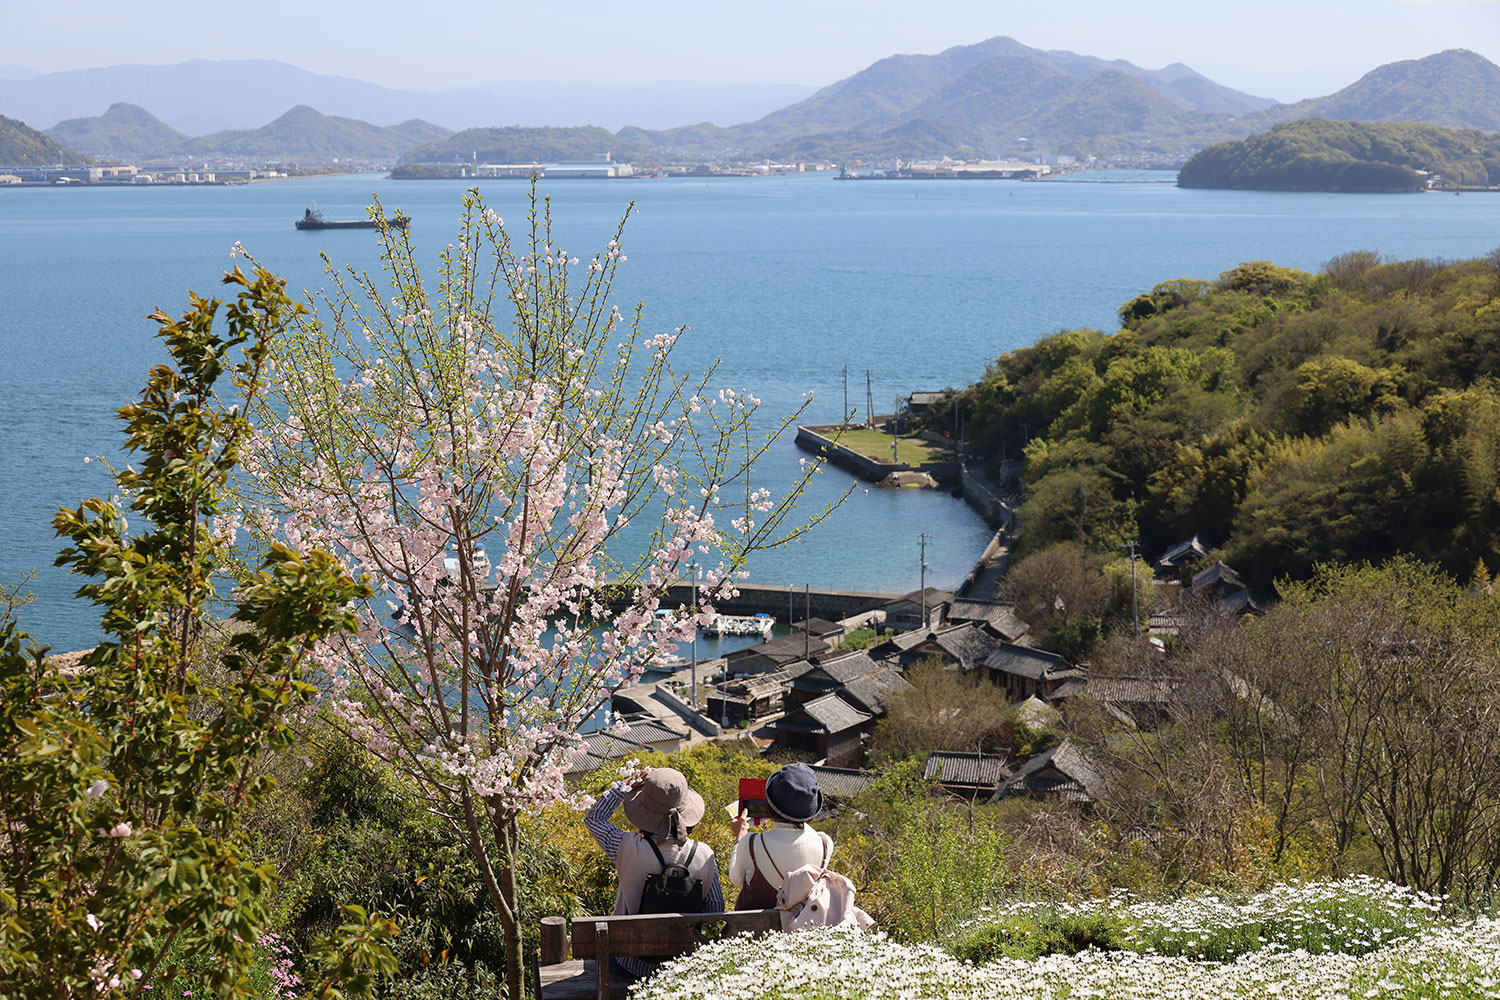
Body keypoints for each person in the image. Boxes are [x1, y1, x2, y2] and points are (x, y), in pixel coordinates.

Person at [584, 766, 724, 979]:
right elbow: (716, 909)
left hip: (629, 965)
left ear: (643, 812)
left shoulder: (626, 847)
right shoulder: (705, 855)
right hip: (683, 964)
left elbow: (594, 819)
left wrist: (624, 786)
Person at [729, 762, 833, 910]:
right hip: (800, 929)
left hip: (754, 930)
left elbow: (736, 880)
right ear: (811, 811)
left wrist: (740, 836)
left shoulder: (751, 843)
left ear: (770, 805)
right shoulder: (825, 843)